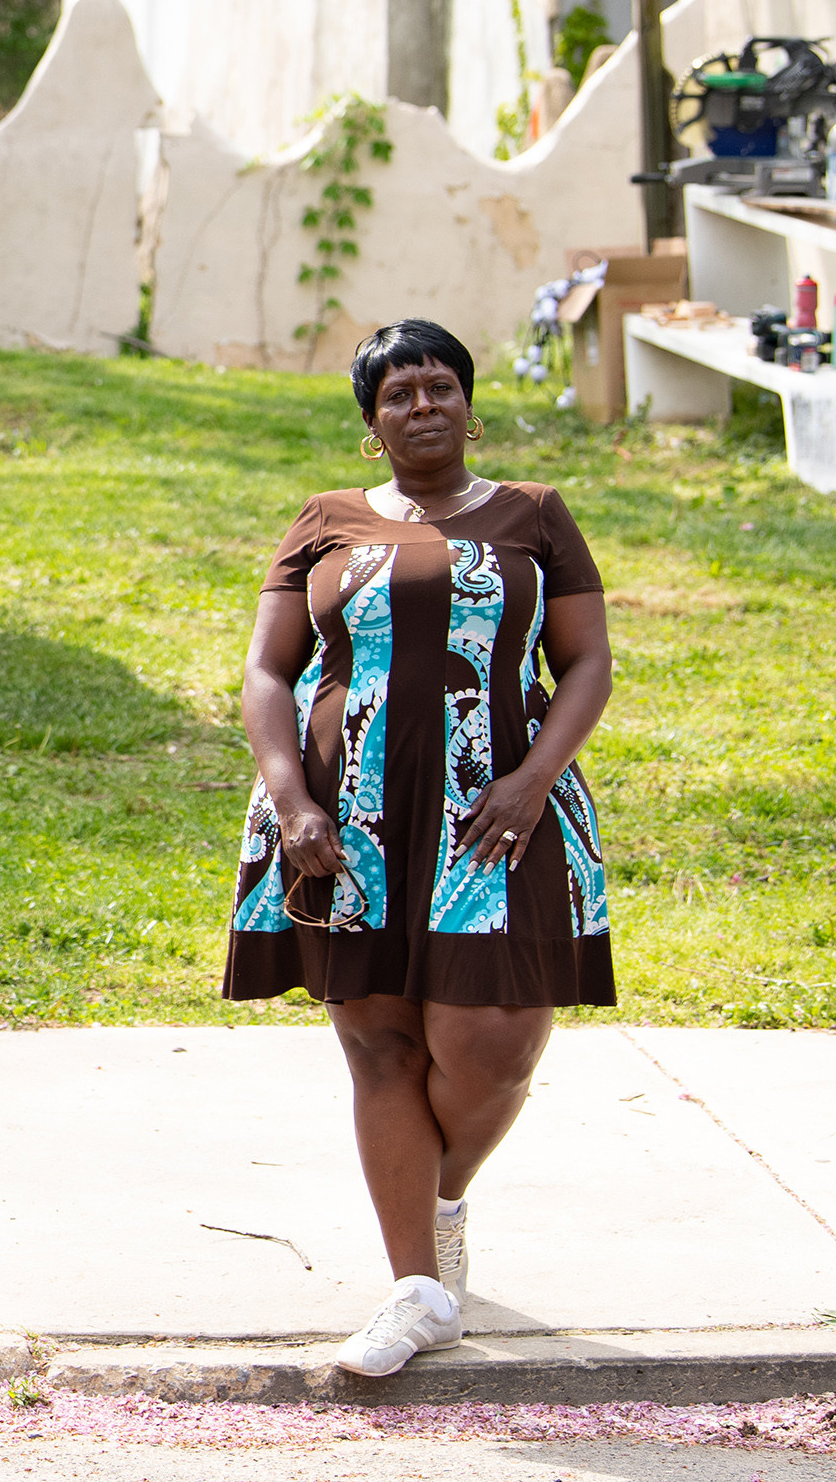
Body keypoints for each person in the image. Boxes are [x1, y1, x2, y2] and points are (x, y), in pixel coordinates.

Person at [228, 318, 616, 1379]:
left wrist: (534, 780)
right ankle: (416, 1292)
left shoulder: (533, 516)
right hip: (347, 819)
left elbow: (585, 664)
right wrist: (289, 798)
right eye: (397, 395)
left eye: (440, 386)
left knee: (495, 1044)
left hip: (501, 809)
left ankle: (437, 1201)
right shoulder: (325, 524)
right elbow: (270, 672)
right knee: (382, 1045)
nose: (422, 406)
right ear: (371, 424)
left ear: (469, 402)